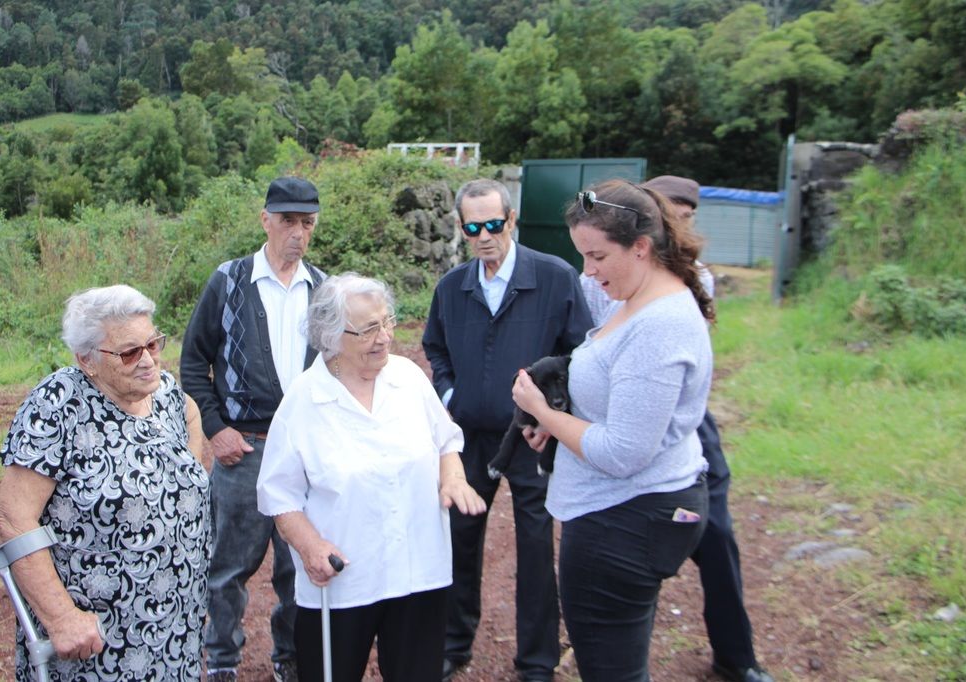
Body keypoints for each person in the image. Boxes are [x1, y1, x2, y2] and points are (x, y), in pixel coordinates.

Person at [511, 179, 712, 682]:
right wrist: (560, 423)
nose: (588, 270)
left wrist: (546, 412)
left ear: (641, 248)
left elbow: (623, 451)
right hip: (628, 514)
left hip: (623, 521)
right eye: (582, 256)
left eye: (597, 256)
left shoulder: (659, 325)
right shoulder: (640, 298)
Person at [579, 175, 773, 682]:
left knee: (715, 536)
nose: (681, 224)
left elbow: (633, 426)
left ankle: (737, 656)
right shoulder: (610, 275)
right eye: (674, 213)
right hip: (636, 415)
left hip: (671, 433)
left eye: (688, 216)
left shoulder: (684, 287)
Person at [257, 273, 487, 682]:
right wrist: (310, 547)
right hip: (344, 580)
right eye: (367, 329)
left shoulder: (408, 378)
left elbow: (446, 439)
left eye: (387, 321)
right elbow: (278, 493)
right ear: (330, 336)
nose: (383, 337)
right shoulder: (304, 400)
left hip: (418, 571)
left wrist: (452, 477)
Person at [0, 284, 211, 681]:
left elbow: (189, 436)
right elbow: (14, 518)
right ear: (88, 360)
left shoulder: (168, 396)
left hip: (176, 624)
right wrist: (61, 618)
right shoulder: (59, 404)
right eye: (130, 352)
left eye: (153, 344)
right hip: (97, 639)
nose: (148, 361)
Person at [423, 178, 593, 682]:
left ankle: (537, 661)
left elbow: (581, 354)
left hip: (532, 440)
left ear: (511, 221)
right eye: (473, 227)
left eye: (494, 224)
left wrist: (551, 412)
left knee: (537, 548)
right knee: (459, 537)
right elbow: (436, 349)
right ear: (461, 229)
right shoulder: (453, 288)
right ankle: (454, 644)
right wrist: (453, 397)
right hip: (472, 438)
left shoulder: (555, 278)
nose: (484, 236)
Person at [181, 176, 327, 682]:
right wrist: (216, 428)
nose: (297, 233)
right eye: (287, 220)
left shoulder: (324, 290)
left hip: (304, 454)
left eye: (306, 222)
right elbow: (193, 361)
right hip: (243, 450)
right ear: (265, 220)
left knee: (296, 567)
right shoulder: (229, 280)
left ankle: (289, 658)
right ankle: (221, 662)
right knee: (227, 569)